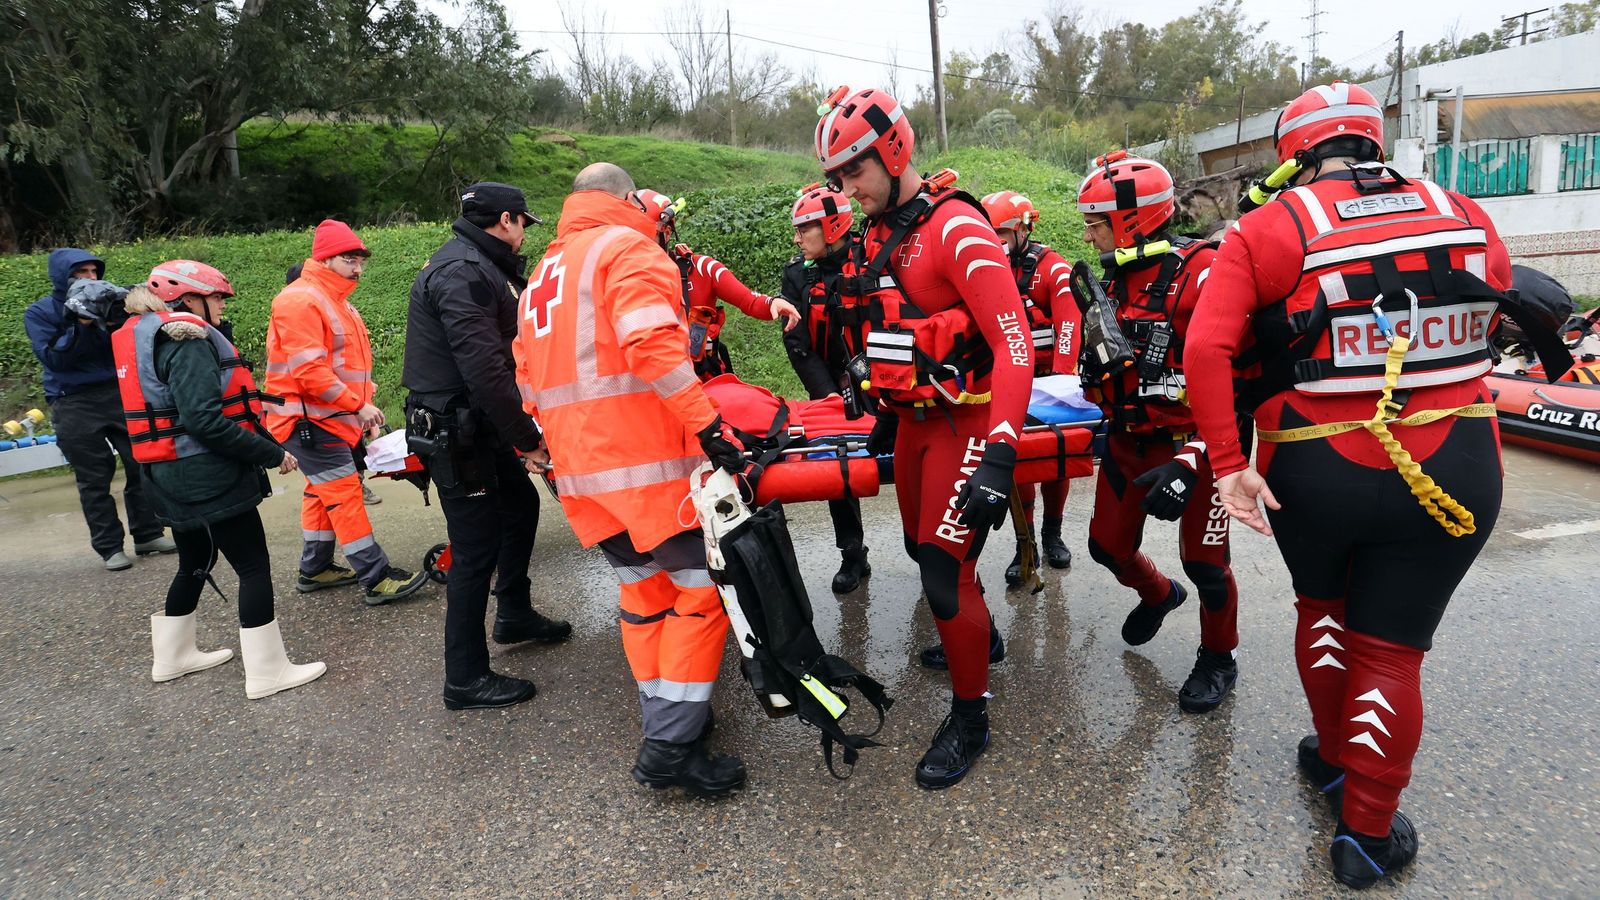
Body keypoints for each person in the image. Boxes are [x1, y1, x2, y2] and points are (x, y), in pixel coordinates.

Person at [1185, 82, 1518, 888]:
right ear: (1375, 141)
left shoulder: (1268, 227)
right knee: (1393, 652)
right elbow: (1499, 315)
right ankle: (1366, 833)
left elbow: (1205, 351)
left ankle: (1339, 764)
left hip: (1316, 461)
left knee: (1323, 612)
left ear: (1292, 155)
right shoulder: (1465, 210)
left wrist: (1230, 466)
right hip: (1457, 459)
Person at [816, 86, 1033, 789]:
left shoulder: (957, 229)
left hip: (966, 420)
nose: (847, 190)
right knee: (918, 549)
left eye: (855, 170)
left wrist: (1001, 452)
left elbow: (1015, 345)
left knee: (943, 571)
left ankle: (972, 717)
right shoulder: (883, 231)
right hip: (914, 424)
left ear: (894, 148)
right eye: (836, 178)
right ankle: (986, 638)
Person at [514, 162, 746, 796]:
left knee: (645, 595)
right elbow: (653, 349)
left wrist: (550, 447)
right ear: (626, 198)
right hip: (647, 471)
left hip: (580, 474)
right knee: (702, 592)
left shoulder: (541, 276)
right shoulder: (628, 249)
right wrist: (711, 427)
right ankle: (671, 746)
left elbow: (527, 383)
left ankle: (669, 719)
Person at [1074, 152, 1242, 715]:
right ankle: (1158, 593)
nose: (1088, 232)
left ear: (1134, 219)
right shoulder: (1111, 279)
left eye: (1096, 221)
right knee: (1106, 547)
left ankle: (1220, 656)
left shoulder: (1204, 274)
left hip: (1197, 446)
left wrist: (1195, 458)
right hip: (1128, 438)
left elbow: (1238, 386)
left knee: (1207, 567)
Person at [113, 263, 325, 699]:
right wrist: (272, 453)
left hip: (167, 474)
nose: (223, 305)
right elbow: (204, 420)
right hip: (206, 475)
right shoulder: (184, 340)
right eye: (219, 298)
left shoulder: (144, 332)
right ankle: (268, 672)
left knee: (195, 559)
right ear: (190, 299)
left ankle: (172, 658)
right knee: (252, 566)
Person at [404, 182, 573, 711]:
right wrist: (530, 440)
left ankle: (514, 613)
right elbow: (483, 369)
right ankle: (465, 678)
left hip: (477, 425)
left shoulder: (478, 262)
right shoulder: (464, 273)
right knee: (474, 552)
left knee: (520, 507)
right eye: (524, 223)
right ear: (505, 219)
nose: (525, 234)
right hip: (460, 433)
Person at [263, 219, 426, 604]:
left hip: (328, 419)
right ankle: (377, 577)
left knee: (323, 493)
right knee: (345, 495)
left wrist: (364, 411)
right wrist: (358, 406)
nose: (358, 268)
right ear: (325, 259)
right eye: (350, 260)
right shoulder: (300, 300)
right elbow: (309, 372)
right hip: (309, 422)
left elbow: (351, 367)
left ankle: (315, 568)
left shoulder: (335, 301)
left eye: (360, 260)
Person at [24, 249, 175, 570]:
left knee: (142, 464)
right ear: (63, 277)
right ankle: (109, 548)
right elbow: (54, 359)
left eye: (94, 272)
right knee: (95, 477)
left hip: (119, 392)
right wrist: (81, 321)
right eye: (81, 273)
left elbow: (138, 341)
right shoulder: (40, 313)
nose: (91, 279)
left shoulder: (110, 301)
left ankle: (148, 533)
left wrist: (119, 315)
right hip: (72, 399)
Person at [979, 189, 1083, 583]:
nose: (997, 243)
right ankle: (1026, 545)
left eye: (1002, 234)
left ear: (1023, 230)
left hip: (1051, 381)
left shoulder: (1051, 269)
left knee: (1056, 461)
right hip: (1010, 379)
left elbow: (1069, 323)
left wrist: (1061, 378)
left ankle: (1052, 533)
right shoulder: (985, 267)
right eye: (991, 236)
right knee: (1018, 461)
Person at [779, 182, 871, 593]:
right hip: (830, 383)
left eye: (805, 229)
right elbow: (797, 343)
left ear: (833, 227)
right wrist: (825, 393)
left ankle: (924, 548)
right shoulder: (796, 275)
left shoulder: (870, 259)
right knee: (840, 465)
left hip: (881, 375)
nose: (797, 238)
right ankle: (853, 554)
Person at [631, 188, 800, 379]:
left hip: (702, 379)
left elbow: (747, 300)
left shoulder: (702, 268)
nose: (635, 244)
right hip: (648, 383)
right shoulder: (622, 277)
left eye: (644, 235)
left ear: (667, 232)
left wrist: (773, 303)